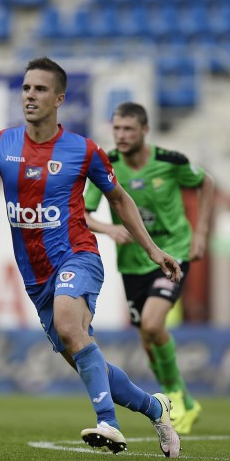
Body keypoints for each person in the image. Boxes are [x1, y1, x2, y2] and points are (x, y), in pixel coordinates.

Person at [0, 57, 181, 458]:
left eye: (40, 89)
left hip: (78, 256)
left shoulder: (83, 150)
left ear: (59, 98)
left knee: (69, 325)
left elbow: (119, 199)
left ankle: (109, 424)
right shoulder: (1, 145)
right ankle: (154, 408)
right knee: (84, 356)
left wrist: (152, 249)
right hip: (36, 276)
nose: (30, 96)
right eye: (26, 88)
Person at [84, 102, 214, 435]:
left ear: (145, 130)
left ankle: (175, 397)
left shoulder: (170, 162)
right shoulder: (106, 164)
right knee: (146, 337)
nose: (121, 135)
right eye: (116, 128)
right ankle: (186, 401)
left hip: (172, 253)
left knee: (154, 324)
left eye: (128, 129)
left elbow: (206, 183)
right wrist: (110, 229)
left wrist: (200, 234)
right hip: (132, 263)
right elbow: (84, 213)